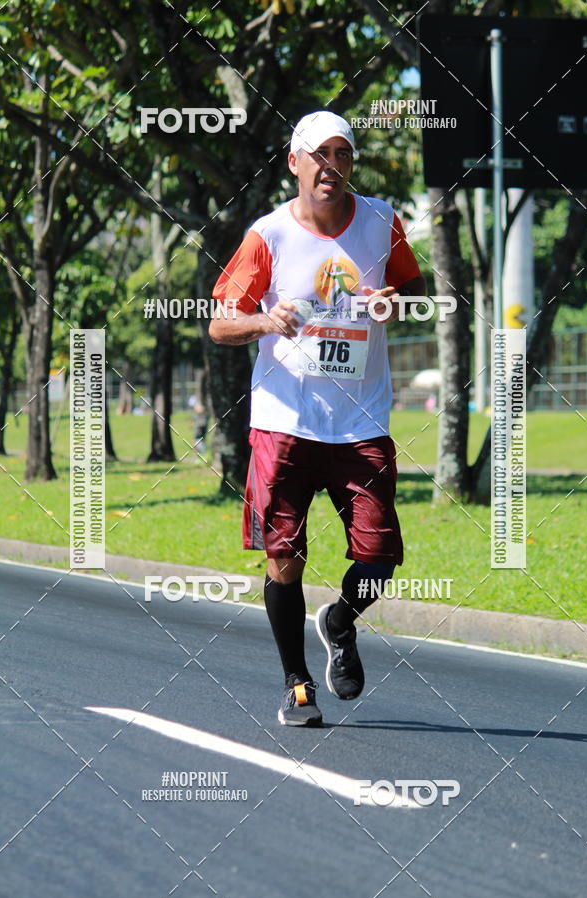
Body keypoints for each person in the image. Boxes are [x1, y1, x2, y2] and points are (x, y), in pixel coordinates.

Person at [209, 111, 425, 726]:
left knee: (380, 556)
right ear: (294, 163)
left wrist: (393, 303)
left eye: (343, 153)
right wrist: (264, 320)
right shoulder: (269, 235)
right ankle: (297, 684)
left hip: (361, 421)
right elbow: (220, 323)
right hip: (284, 422)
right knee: (284, 556)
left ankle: (339, 620)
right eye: (319, 154)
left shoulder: (382, 222)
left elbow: (413, 291)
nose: (332, 165)